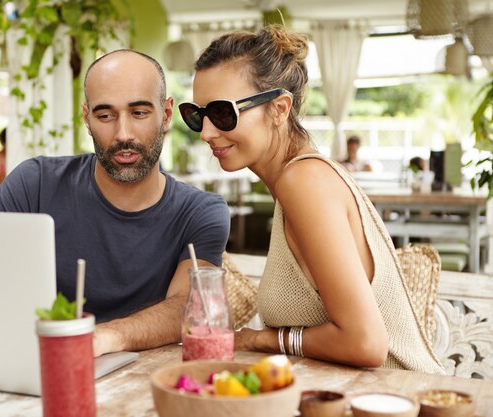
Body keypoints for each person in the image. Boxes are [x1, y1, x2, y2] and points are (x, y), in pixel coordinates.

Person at [179, 24, 444, 374]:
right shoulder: (297, 179)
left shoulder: (303, 181)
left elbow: (365, 343)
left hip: (397, 401)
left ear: (278, 108)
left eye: (223, 113)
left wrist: (261, 339)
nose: (208, 132)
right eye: (197, 116)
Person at [0, 50, 230, 357]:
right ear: (86, 117)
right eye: (105, 116)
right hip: (37, 364)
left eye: (139, 113)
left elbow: (186, 306)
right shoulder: (33, 184)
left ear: (166, 114)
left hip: (144, 380)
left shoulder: (201, 213)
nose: (123, 134)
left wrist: (98, 340)